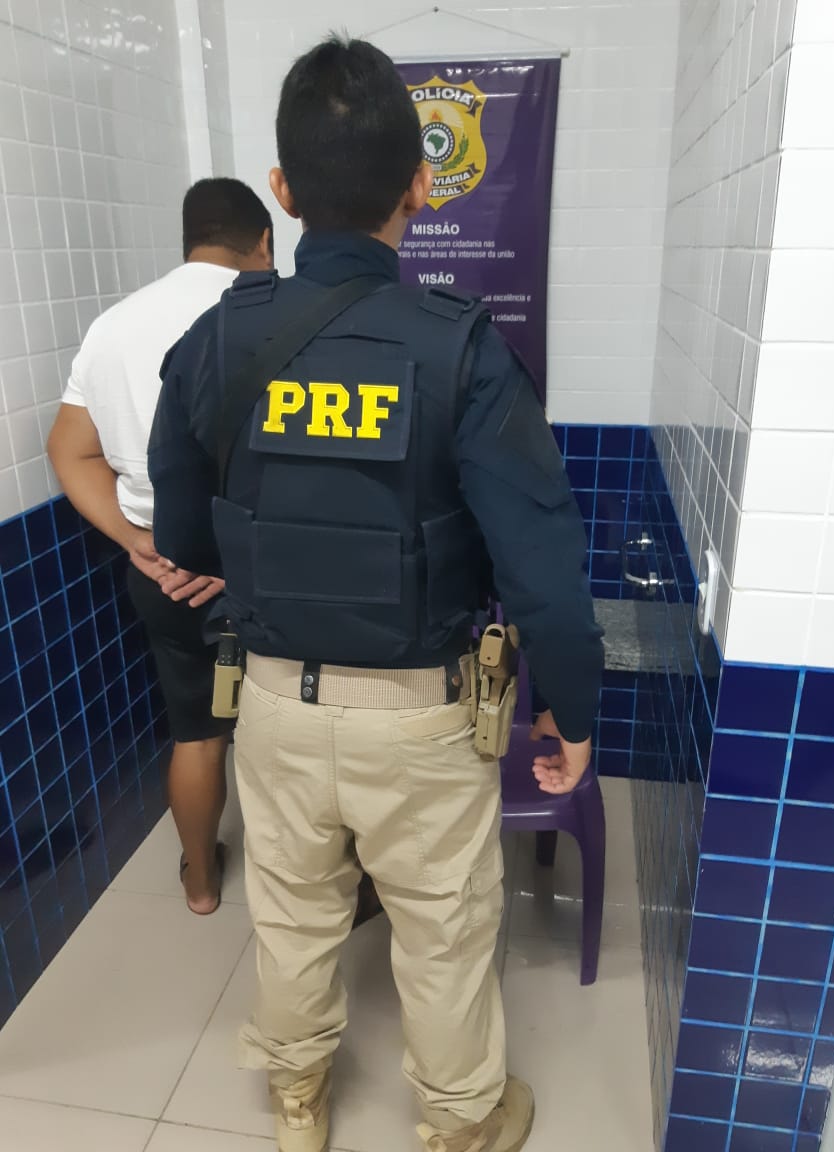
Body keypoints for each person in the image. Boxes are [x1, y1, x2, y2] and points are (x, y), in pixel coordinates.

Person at [148, 36, 604, 1152]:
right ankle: (458, 1124)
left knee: (292, 915)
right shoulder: (462, 352)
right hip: (422, 720)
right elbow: (541, 565)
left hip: (272, 705)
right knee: (444, 931)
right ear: (420, 186)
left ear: (284, 188)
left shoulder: (214, 341)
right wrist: (571, 712)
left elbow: (187, 533)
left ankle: (298, 1100)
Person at [47, 178, 273, 915]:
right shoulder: (277, 313)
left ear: (189, 240)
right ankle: (295, 888)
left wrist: (139, 542)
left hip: (164, 574)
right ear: (263, 241)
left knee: (197, 733)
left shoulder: (113, 326)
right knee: (292, 732)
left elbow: (69, 450)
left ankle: (200, 885)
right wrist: (234, 558)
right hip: (266, 573)